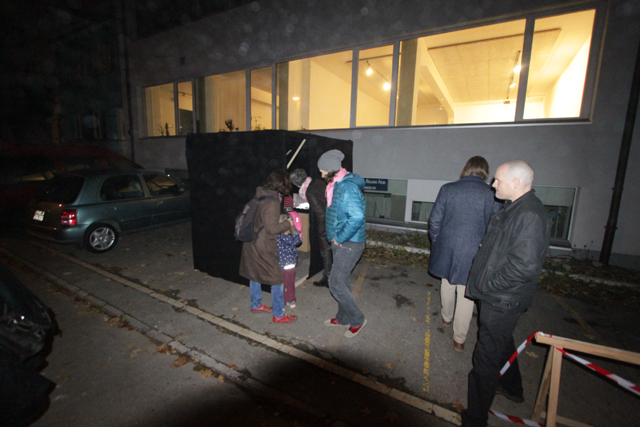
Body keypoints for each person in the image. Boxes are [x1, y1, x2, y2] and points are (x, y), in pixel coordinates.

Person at [461, 161, 550, 427]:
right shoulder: (515, 208)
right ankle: (512, 388)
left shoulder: (529, 215)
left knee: (485, 360)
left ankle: (475, 419)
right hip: (498, 298)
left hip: (501, 298)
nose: (493, 184)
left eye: (498, 180)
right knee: (502, 341)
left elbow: (524, 267)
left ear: (516, 183)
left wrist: (487, 285)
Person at [428, 156, 502, 352]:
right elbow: (496, 227)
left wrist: (437, 240)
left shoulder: (448, 189)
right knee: (467, 294)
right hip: (474, 250)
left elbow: (434, 220)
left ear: (466, 168)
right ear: (485, 172)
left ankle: (446, 318)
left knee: (447, 283)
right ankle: (459, 339)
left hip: (448, 246)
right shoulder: (492, 194)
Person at [318, 149, 367, 338]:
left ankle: (357, 319)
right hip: (341, 241)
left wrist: (339, 237)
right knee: (343, 281)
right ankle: (343, 317)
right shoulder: (335, 185)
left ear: (330, 169)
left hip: (349, 242)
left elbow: (357, 217)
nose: (321, 174)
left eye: (322, 170)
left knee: (336, 283)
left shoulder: (347, 187)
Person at [239, 169, 297, 323]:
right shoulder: (272, 202)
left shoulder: (261, 194)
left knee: (254, 274)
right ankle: (279, 315)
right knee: (277, 278)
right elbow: (272, 229)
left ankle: (256, 304)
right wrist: (288, 223)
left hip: (252, 242)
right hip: (262, 245)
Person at [290, 168, 332, 287]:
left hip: (326, 223)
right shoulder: (317, 182)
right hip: (334, 218)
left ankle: (328, 278)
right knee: (331, 249)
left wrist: (321, 230)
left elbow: (321, 214)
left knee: (325, 250)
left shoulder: (309, 192)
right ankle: (331, 274)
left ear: (297, 184)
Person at [277, 212, 303, 308]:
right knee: (290, 283)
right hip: (291, 264)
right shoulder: (293, 236)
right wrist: (297, 231)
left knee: (282, 284)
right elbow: (299, 241)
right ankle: (291, 300)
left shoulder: (277, 236)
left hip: (281, 264)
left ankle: (282, 302)